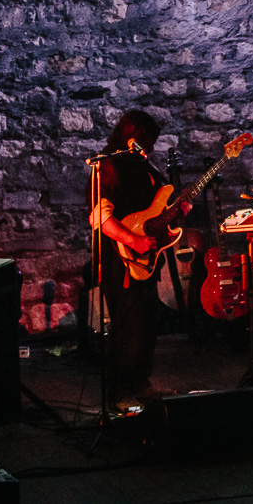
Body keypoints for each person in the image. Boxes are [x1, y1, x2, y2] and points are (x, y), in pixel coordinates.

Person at [89, 110, 182, 412]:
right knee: (127, 325)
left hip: (147, 258)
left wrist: (175, 213)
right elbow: (100, 217)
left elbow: (153, 212)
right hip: (121, 259)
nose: (151, 148)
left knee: (146, 323)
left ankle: (140, 384)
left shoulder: (144, 167)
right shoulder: (108, 166)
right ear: (133, 138)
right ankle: (120, 392)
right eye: (148, 141)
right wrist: (133, 241)